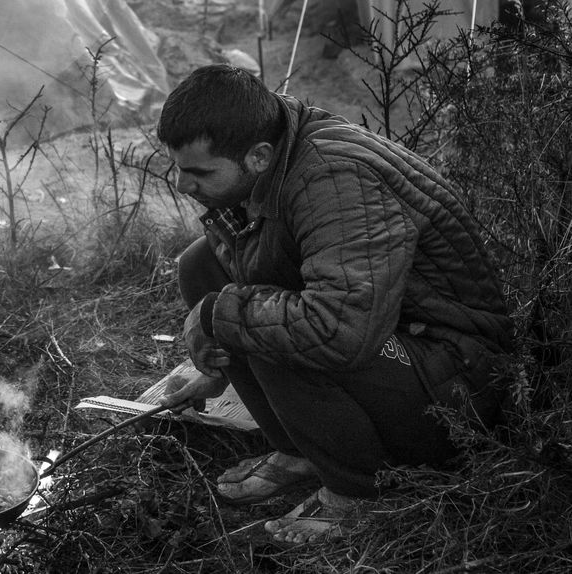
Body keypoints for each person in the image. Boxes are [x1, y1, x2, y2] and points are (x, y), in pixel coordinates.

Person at [155, 65, 512, 545]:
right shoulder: (275, 153)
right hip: (394, 337)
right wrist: (222, 360)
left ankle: (356, 495)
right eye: (179, 167)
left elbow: (337, 329)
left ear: (258, 156)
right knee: (200, 265)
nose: (182, 185)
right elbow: (257, 270)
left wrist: (218, 316)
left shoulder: (334, 178)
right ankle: (301, 451)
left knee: (268, 327)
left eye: (199, 172)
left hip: (459, 382)